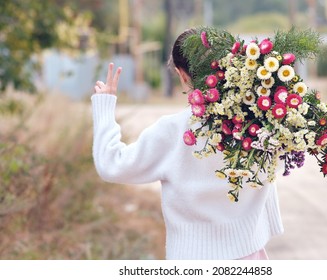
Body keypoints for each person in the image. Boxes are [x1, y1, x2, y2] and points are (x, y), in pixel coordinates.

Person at [91, 28, 284, 260]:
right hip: (249, 256)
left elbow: (112, 165)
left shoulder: (172, 131)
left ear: (181, 74)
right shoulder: (260, 122)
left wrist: (104, 105)